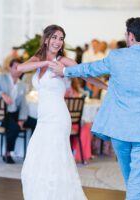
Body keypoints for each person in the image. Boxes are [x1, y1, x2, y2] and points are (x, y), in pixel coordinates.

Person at [50, 17, 140, 200]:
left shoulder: (116, 56)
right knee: (137, 182)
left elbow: (90, 69)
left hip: (120, 129)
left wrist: (65, 71)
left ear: (130, 36)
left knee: (131, 180)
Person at [18, 24, 107, 200]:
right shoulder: (38, 59)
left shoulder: (64, 61)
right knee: (36, 158)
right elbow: (20, 68)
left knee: (55, 160)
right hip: (43, 119)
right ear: (46, 39)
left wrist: (105, 86)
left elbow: (84, 74)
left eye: (61, 38)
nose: (58, 42)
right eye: (55, 37)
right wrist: (45, 62)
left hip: (58, 117)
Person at [0, 58, 28, 164]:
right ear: (10, 68)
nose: (18, 70)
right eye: (15, 67)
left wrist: (22, 119)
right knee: (14, 128)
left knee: (37, 122)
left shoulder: (22, 84)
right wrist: (2, 94)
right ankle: (8, 153)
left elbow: (24, 104)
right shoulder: (1, 78)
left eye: (20, 68)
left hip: (16, 114)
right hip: (3, 114)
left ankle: (33, 154)